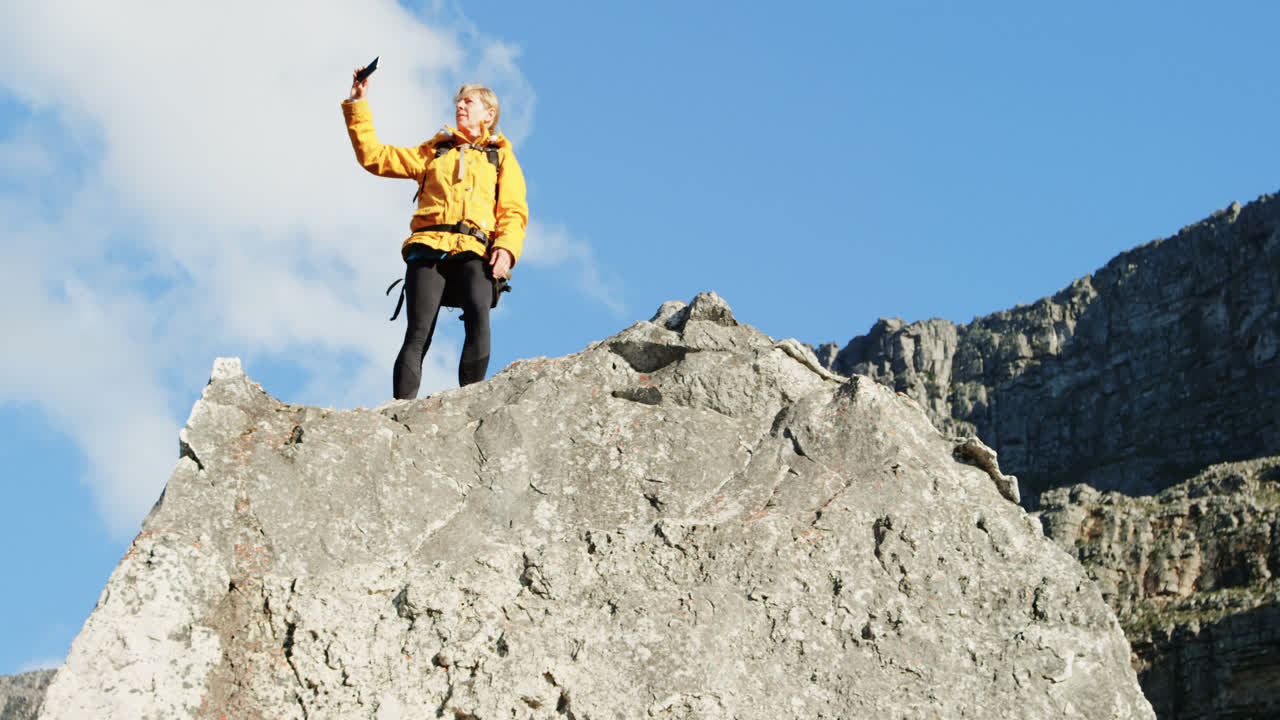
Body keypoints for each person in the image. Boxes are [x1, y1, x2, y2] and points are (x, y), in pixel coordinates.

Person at [342, 66, 528, 398]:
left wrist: (507, 249)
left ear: (489, 114)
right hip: (428, 248)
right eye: (459, 102)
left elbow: (513, 211)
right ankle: (400, 410)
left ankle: (471, 400)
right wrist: (358, 103)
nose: (460, 106)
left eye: (468, 102)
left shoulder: (500, 157)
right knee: (418, 330)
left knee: (478, 313)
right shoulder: (433, 152)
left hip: (475, 249)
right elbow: (374, 156)